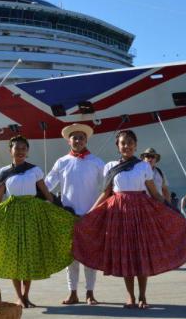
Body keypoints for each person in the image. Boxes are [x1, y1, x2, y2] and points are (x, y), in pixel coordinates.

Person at [73, 130, 186, 309]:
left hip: (141, 214)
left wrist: (173, 210)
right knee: (126, 255)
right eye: (123, 143)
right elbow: (106, 193)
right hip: (119, 214)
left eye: (130, 143)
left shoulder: (143, 166)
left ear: (136, 145)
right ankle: (130, 296)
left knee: (141, 255)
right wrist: (90, 213)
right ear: (118, 146)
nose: (127, 146)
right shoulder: (110, 166)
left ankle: (142, 296)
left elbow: (155, 193)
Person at [0, 135, 76, 309]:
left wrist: (62, 211)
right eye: (17, 148)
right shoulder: (3, 172)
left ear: (27, 151)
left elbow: (47, 194)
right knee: (14, 257)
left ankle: (26, 296)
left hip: (32, 215)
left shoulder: (35, 170)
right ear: (10, 150)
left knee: (28, 257)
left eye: (23, 148)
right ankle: (19, 297)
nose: (20, 151)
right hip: (11, 216)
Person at [45, 123, 104, 306]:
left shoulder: (97, 162)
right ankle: (72, 293)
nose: (78, 140)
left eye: (81, 137)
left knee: (90, 257)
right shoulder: (62, 162)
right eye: (75, 138)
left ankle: (90, 293)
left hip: (91, 216)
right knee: (71, 258)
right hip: (68, 217)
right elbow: (47, 185)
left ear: (86, 140)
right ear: (68, 141)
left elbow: (108, 186)